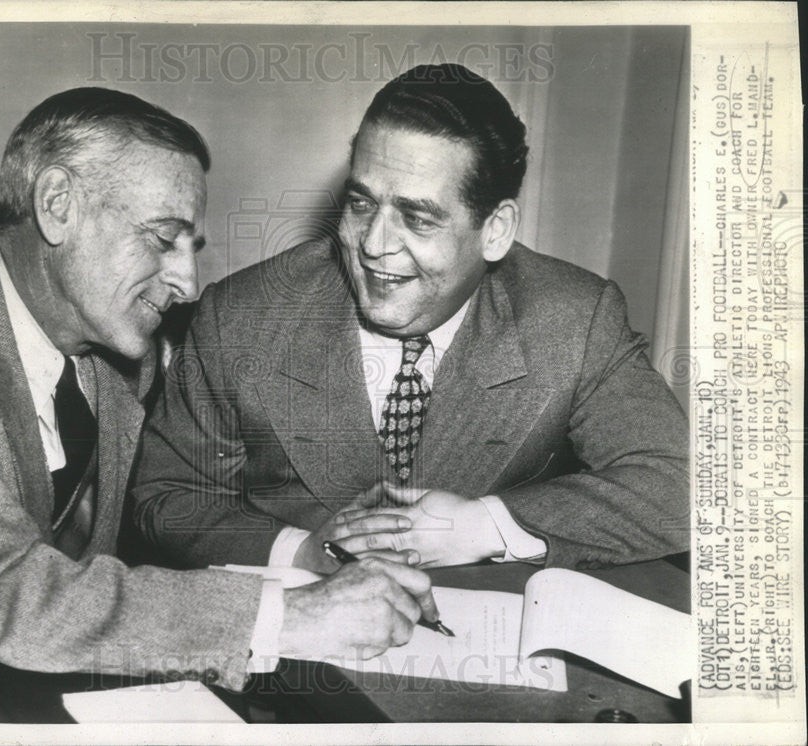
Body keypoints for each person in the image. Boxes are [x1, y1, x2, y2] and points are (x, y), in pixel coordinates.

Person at [0, 87, 439, 695]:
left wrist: (317, 546)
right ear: (57, 204)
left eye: (190, 248)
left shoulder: (112, 339)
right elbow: (10, 599)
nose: (186, 280)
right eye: (161, 238)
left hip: (47, 677)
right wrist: (293, 617)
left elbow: (177, 495)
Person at [134, 64, 689, 575]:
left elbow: (685, 485)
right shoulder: (243, 315)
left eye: (417, 218)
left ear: (495, 230)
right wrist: (299, 552)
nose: (374, 245)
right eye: (361, 204)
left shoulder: (574, 319)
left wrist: (481, 526)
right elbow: (167, 495)